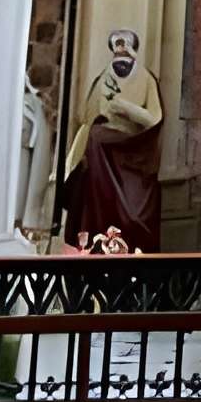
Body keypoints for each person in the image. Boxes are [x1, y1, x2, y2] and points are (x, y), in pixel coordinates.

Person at [62, 27, 163, 252]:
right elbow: (84, 117)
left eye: (125, 47)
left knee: (134, 210)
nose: (121, 52)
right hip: (102, 152)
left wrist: (128, 109)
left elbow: (155, 119)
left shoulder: (146, 79)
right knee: (95, 138)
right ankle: (97, 240)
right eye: (117, 47)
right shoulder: (102, 79)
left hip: (132, 150)